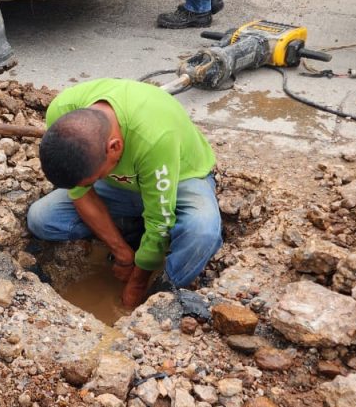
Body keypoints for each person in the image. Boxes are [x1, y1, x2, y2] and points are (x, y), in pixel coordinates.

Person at [27, 79, 222, 309]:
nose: (89, 185)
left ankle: (162, 296)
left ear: (114, 147)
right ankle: (134, 232)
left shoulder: (155, 137)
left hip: (179, 177)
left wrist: (138, 284)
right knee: (41, 218)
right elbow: (80, 193)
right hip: (120, 185)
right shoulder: (62, 113)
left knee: (202, 232)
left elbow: (159, 221)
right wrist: (123, 254)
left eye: (93, 179)